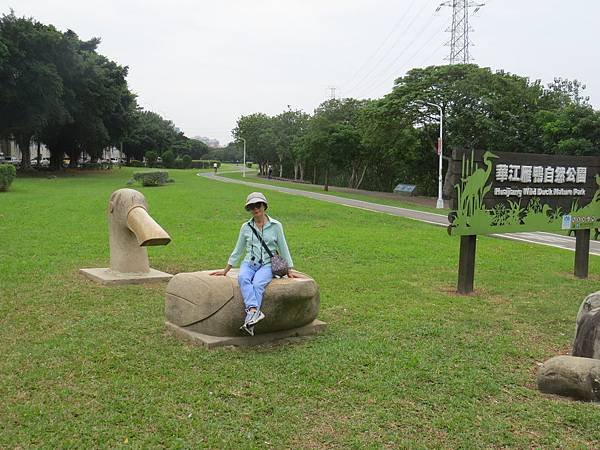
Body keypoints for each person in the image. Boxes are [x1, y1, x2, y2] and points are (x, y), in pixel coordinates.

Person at [210, 192, 295, 335]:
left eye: (258, 205)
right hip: (249, 263)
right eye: (252, 206)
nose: (255, 209)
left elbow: (283, 247)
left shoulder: (276, 226)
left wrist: (290, 269)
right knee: (243, 278)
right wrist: (226, 270)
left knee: (257, 284)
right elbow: (238, 250)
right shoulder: (246, 227)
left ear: (264, 206)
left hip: (268, 265)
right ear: (249, 209)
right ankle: (254, 312)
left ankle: (251, 317)